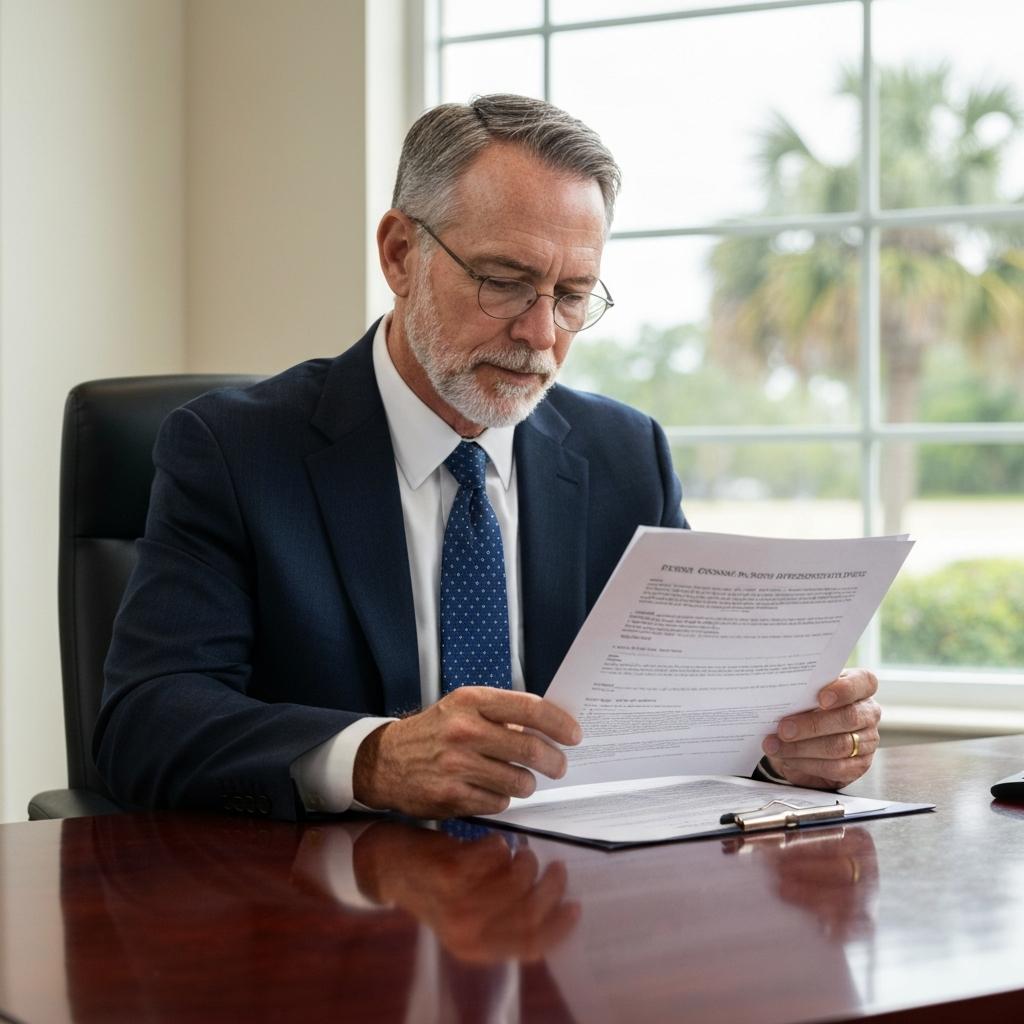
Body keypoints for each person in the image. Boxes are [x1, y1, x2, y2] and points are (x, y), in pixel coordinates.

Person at [94, 94, 881, 821]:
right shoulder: (233, 451)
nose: (541, 335)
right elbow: (146, 722)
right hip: (329, 917)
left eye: (573, 296)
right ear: (401, 254)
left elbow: (683, 714)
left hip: (573, 915)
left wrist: (784, 753)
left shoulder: (624, 455)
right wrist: (371, 759)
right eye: (506, 283)